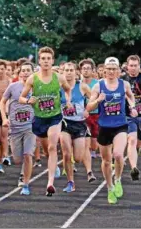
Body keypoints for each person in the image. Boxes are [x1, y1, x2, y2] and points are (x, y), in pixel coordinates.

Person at [19, 47, 73, 196]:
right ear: (39, 61)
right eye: (43, 59)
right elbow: (21, 98)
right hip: (39, 118)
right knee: (46, 149)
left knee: (52, 146)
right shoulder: (33, 79)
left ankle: (50, 183)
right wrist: (28, 100)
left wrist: (68, 101)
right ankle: (53, 165)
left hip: (55, 117)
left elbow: (68, 90)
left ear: (52, 61)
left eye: (49, 59)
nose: (46, 61)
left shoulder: (59, 78)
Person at [86, 57, 137, 204]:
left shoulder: (124, 84)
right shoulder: (98, 86)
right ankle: (109, 187)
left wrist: (132, 108)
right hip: (104, 126)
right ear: (104, 70)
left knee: (118, 154)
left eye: (114, 69)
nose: (111, 71)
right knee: (107, 161)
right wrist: (98, 100)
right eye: (109, 69)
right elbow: (89, 108)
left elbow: (131, 98)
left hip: (120, 125)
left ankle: (118, 179)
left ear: (119, 71)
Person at [59, 62, 96, 193]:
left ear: (76, 72)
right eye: (66, 70)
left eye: (71, 70)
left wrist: (88, 109)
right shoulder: (59, 88)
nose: (68, 72)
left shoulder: (82, 86)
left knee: (78, 158)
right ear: (62, 72)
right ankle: (70, 182)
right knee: (67, 154)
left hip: (79, 124)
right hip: (64, 123)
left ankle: (79, 168)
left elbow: (94, 100)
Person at [0, 62, 36, 195]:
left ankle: (25, 183)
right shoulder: (13, 86)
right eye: (24, 70)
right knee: (17, 159)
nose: (26, 73)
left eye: (28, 70)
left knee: (28, 155)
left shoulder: (37, 88)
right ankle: (22, 171)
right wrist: (4, 118)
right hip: (15, 127)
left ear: (33, 72)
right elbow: (2, 102)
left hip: (30, 126)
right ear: (20, 72)